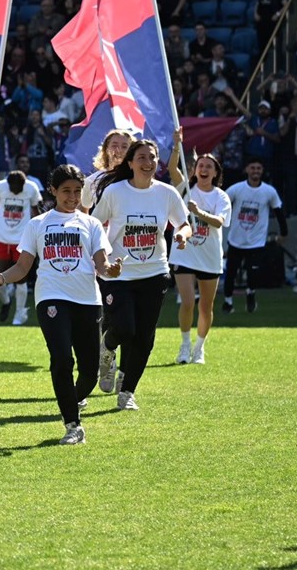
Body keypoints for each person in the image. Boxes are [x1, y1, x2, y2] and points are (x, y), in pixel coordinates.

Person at [0, 164, 122, 445]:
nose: (72, 197)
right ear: (53, 191)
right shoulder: (37, 224)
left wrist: (112, 270)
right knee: (61, 360)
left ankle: (70, 400)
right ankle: (73, 425)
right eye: (66, 191)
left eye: (77, 191)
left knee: (89, 372)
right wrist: (1, 279)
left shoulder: (91, 224)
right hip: (51, 297)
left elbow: (102, 265)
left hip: (87, 300)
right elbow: (23, 267)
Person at [92, 140, 191, 411]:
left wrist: (182, 235)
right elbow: (95, 225)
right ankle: (107, 347)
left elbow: (184, 223)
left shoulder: (167, 193)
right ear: (130, 163)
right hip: (117, 274)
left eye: (153, 157)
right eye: (142, 158)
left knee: (144, 338)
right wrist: (100, 259)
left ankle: (127, 392)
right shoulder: (115, 192)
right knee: (125, 328)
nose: (148, 163)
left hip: (155, 273)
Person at [169, 144, 231, 365]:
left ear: (215, 173)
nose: (204, 169)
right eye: (200, 165)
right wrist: (176, 145)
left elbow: (219, 222)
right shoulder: (185, 189)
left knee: (206, 306)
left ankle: (199, 348)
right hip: (184, 253)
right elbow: (172, 169)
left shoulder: (221, 197)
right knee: (187, 301)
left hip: (209, 257)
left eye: (209, 166)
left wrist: (198, 212)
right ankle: (185, 345)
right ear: (194, 170)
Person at [223, 160, 286, 314]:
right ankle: (228, 302)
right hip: (236, 239)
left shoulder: (269, 191)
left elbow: (279, 212)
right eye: (252, 168)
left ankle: (250, 293)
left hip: (256, 242)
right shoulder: (236, 189)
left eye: (258, 168)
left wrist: (284, 233)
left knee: (253, 274)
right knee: (230, 273)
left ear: (262, 170)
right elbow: (221, 203)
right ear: (246, 170)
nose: (255, 171)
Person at [0, 169, 42, 325]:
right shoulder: (0, 186)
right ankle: (6, 301)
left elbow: (36, 211)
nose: (16, 191)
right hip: (1, 237)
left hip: (22, 239)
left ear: (24, 184)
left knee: (21, 279)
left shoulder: (32, 188)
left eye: (19, 188)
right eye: (13, 188)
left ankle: (20, 313)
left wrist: (41, 232)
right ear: (8, 184)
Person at [80, 130, 134, 211]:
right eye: (114, 146)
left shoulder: (138, 177)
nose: (119, 150)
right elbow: (84, 209)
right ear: (106, 148)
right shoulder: (92, 180)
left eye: (124, 147)